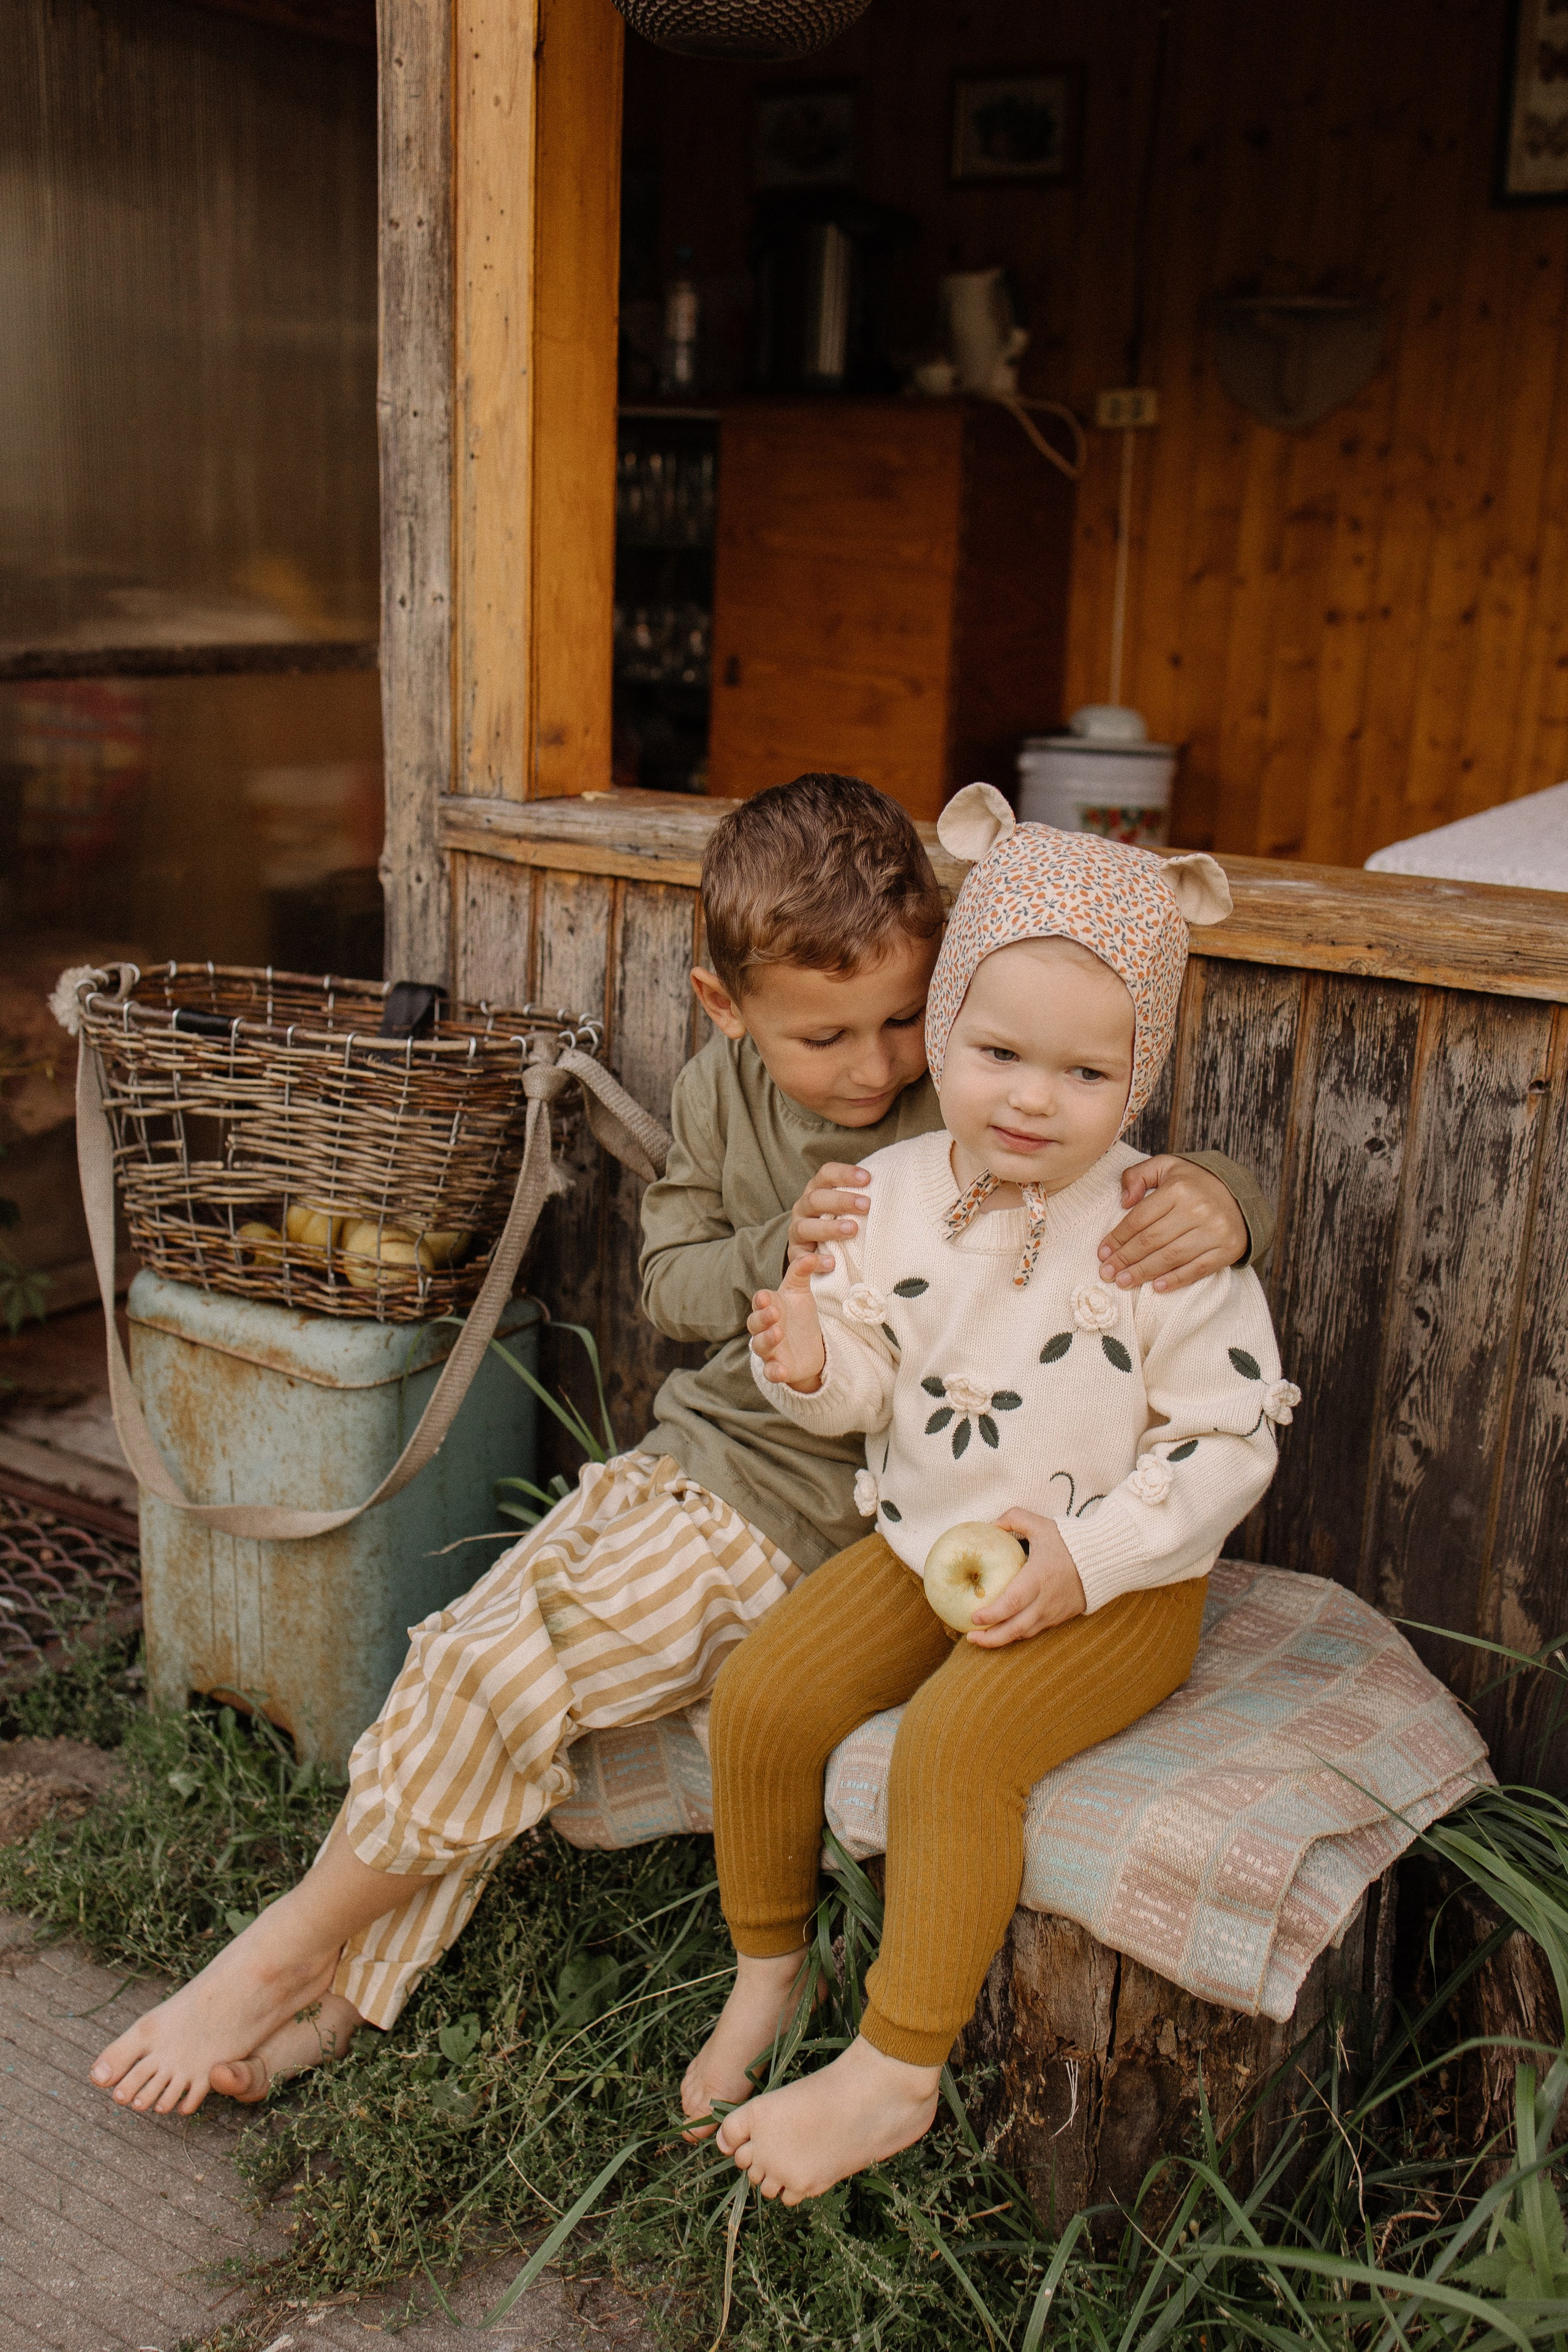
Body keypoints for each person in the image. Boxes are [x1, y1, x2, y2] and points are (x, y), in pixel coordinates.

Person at [89, 774, 1269, 2118]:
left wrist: (1228, 1199)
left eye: (903, 1019)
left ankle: (276, 1958)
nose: (878, 1068)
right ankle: (342, 1993)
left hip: (821, 1507)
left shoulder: (975, 1092)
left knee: (494, 1672)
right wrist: (782, 1258)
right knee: (472, 1664)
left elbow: (1127, 1167)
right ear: (727, 1009)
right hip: (704, 1454)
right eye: (825, 1037)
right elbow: (671, 1287)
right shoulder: (727, 1096)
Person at [683, 782, 1295, 2206]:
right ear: (941, 1035)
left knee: (952, 1747)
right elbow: (868, 1391)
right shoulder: (890, 1190)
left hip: (1111, 1580)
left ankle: (896, 2067)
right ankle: (763, 1970)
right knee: (767, 1692)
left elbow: (1226, 1442)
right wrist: (805, 1355)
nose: (1031, 1097)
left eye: (1084, 1076)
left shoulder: (1162, 1230)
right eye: (996, 1052)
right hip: (924, 1542)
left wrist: (1086, 1557)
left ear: (1135, 1079)